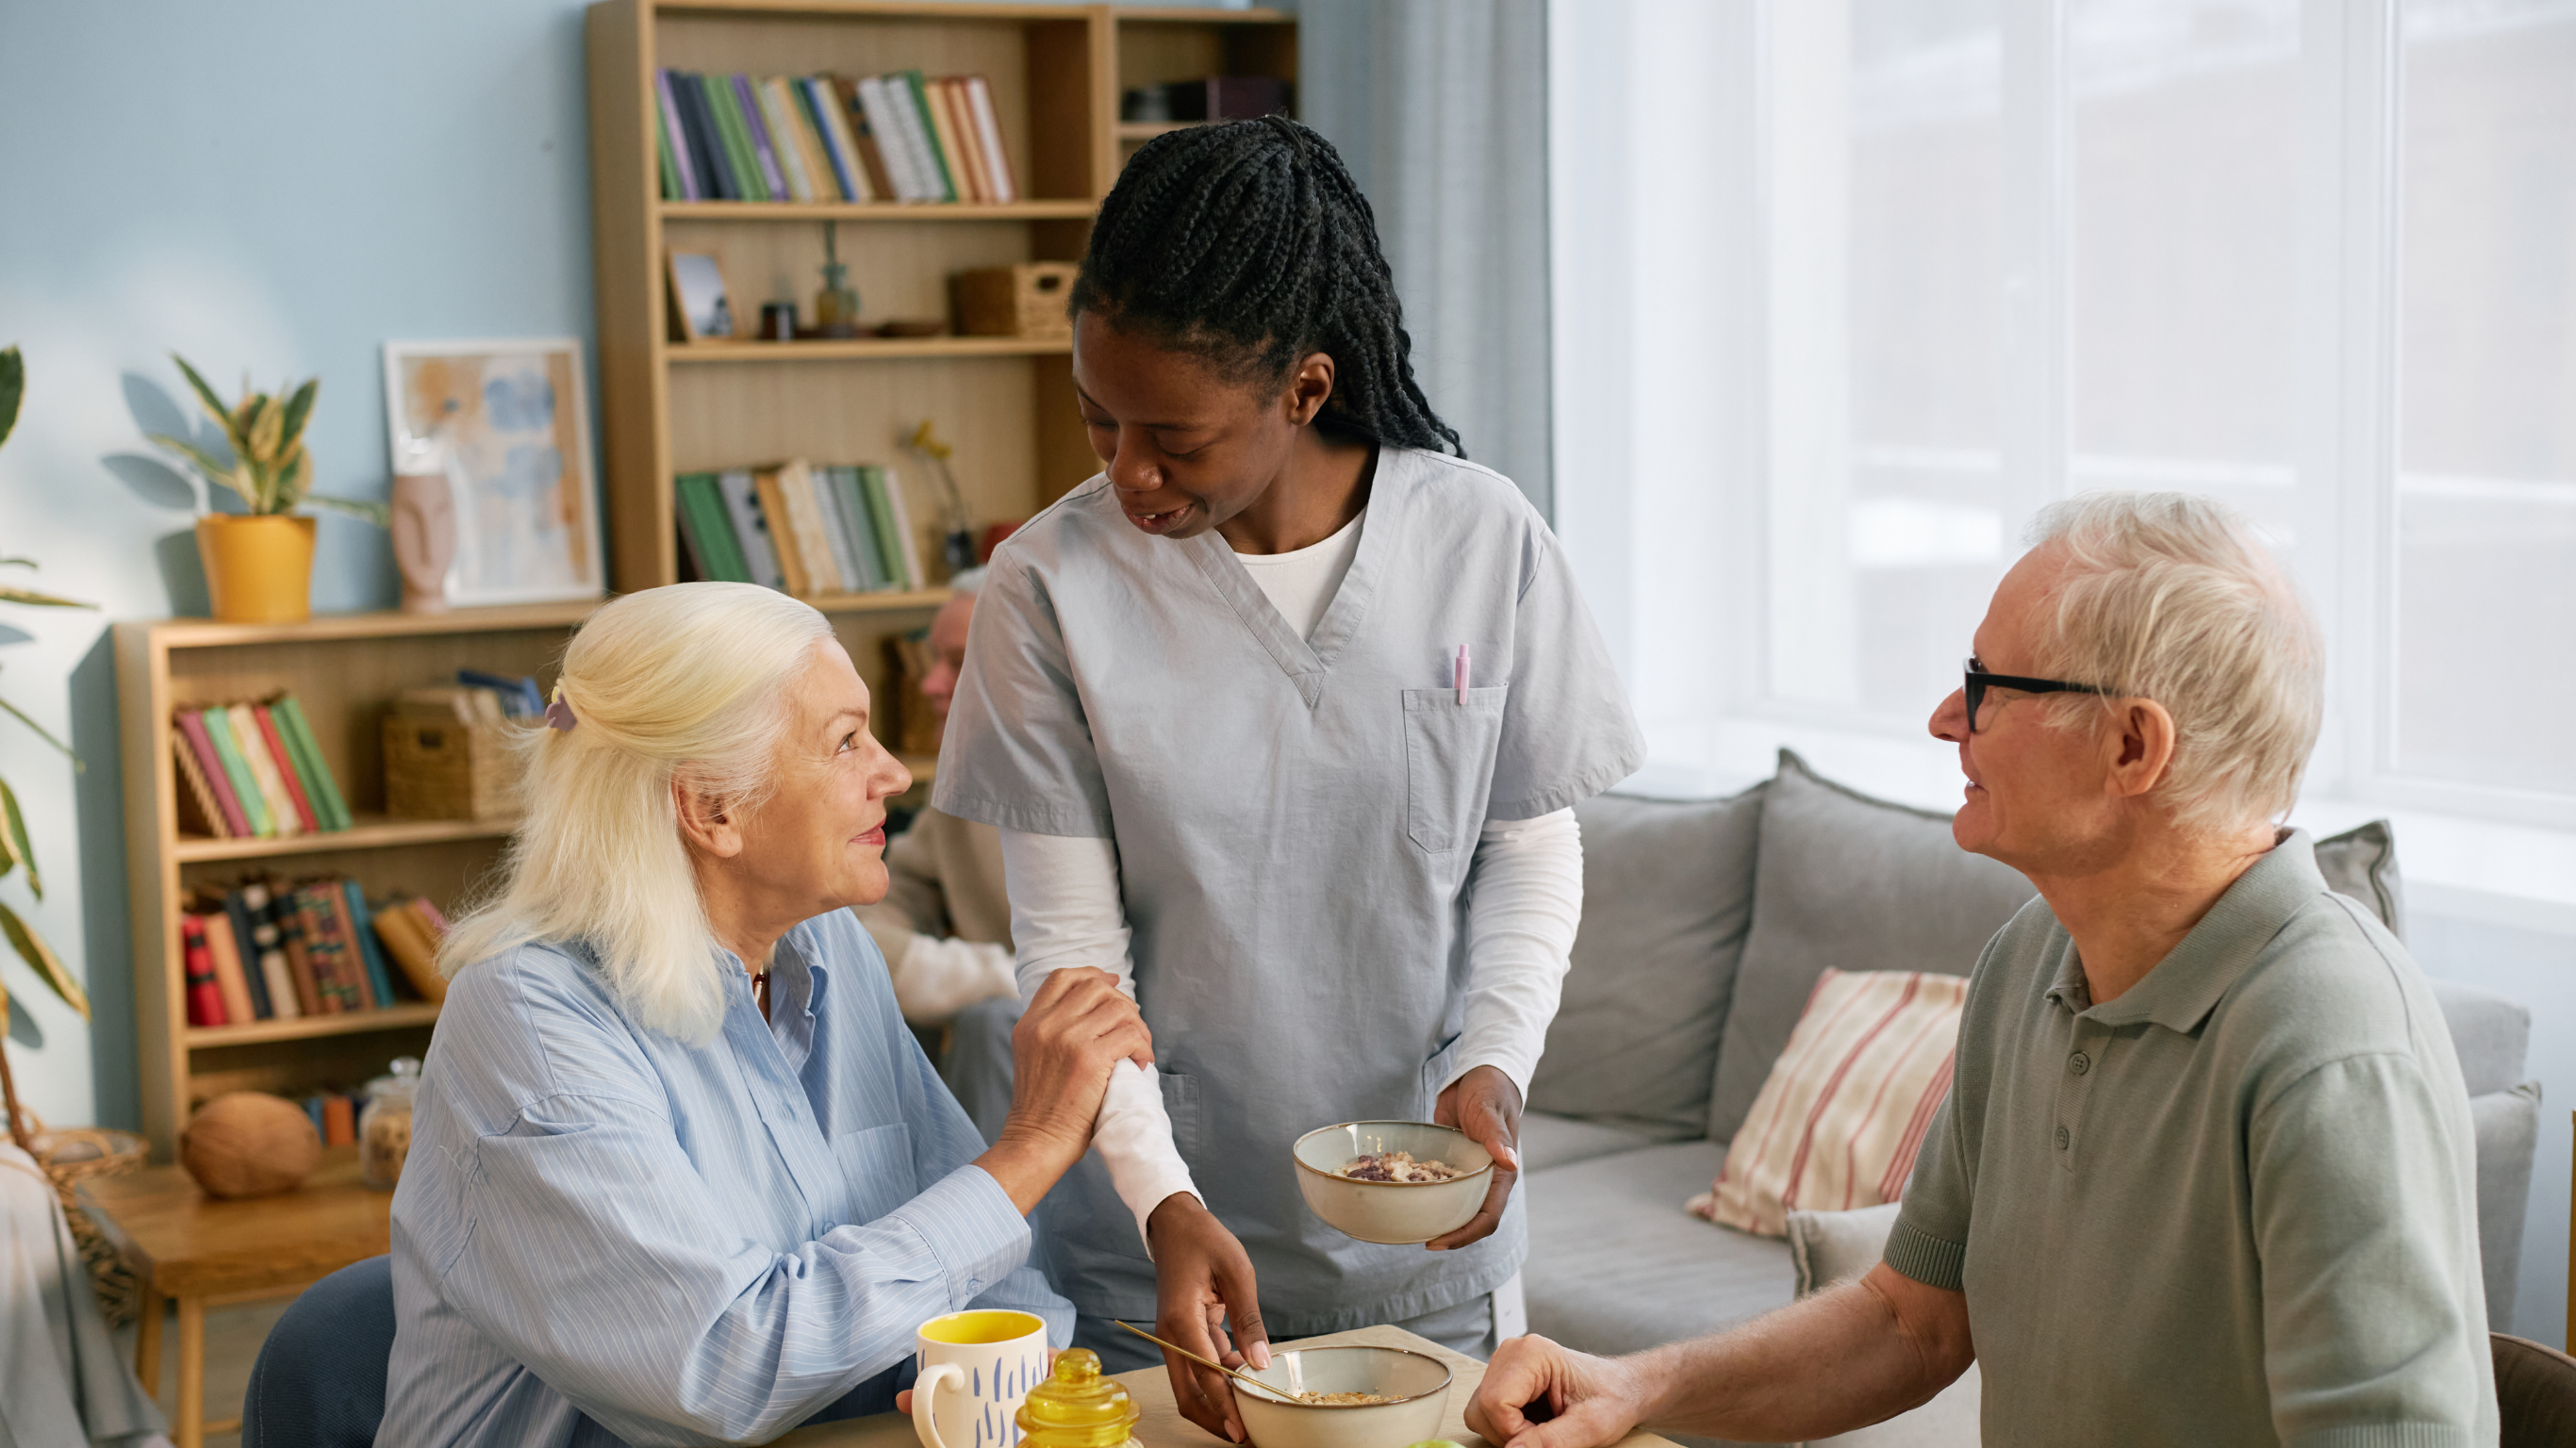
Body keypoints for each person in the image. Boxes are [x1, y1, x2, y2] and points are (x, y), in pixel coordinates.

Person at [1464, 493, 2498, 1447]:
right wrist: (1640, 1387)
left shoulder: (2330, 1047)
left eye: (1984, 687)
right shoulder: (2032, 958)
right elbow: (1911, 1322)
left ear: (2132, 747)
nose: (1944, 720)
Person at [933, 116, 1644, 1443]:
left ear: (1306, 389)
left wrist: (1494, 1063)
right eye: (1099, 418)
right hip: (1164, 1242)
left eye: (1175, 438)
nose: (1127, 470)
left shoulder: (1484, 539)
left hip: (1425, 1237)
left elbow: (1528, 846)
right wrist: (1164, 1201)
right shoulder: (1047, 586)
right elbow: (1072, 958)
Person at [380, 583, 1154, 1448]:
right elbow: (723, 1367)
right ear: (713, 808)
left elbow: (980, 1270)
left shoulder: (829, 947)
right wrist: (1034, 1146)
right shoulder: (529, 1020)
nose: (894, 775)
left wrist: (1017, 1373)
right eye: (847, 742)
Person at [854, 568, 1022, 1140]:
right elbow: (872, 910)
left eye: (956, 662)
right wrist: (956, 974)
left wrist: (979, 987)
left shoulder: (1128, 792)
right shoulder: (963, 791)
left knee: (991, 1022)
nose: (928, 686)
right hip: (1008, 1028)